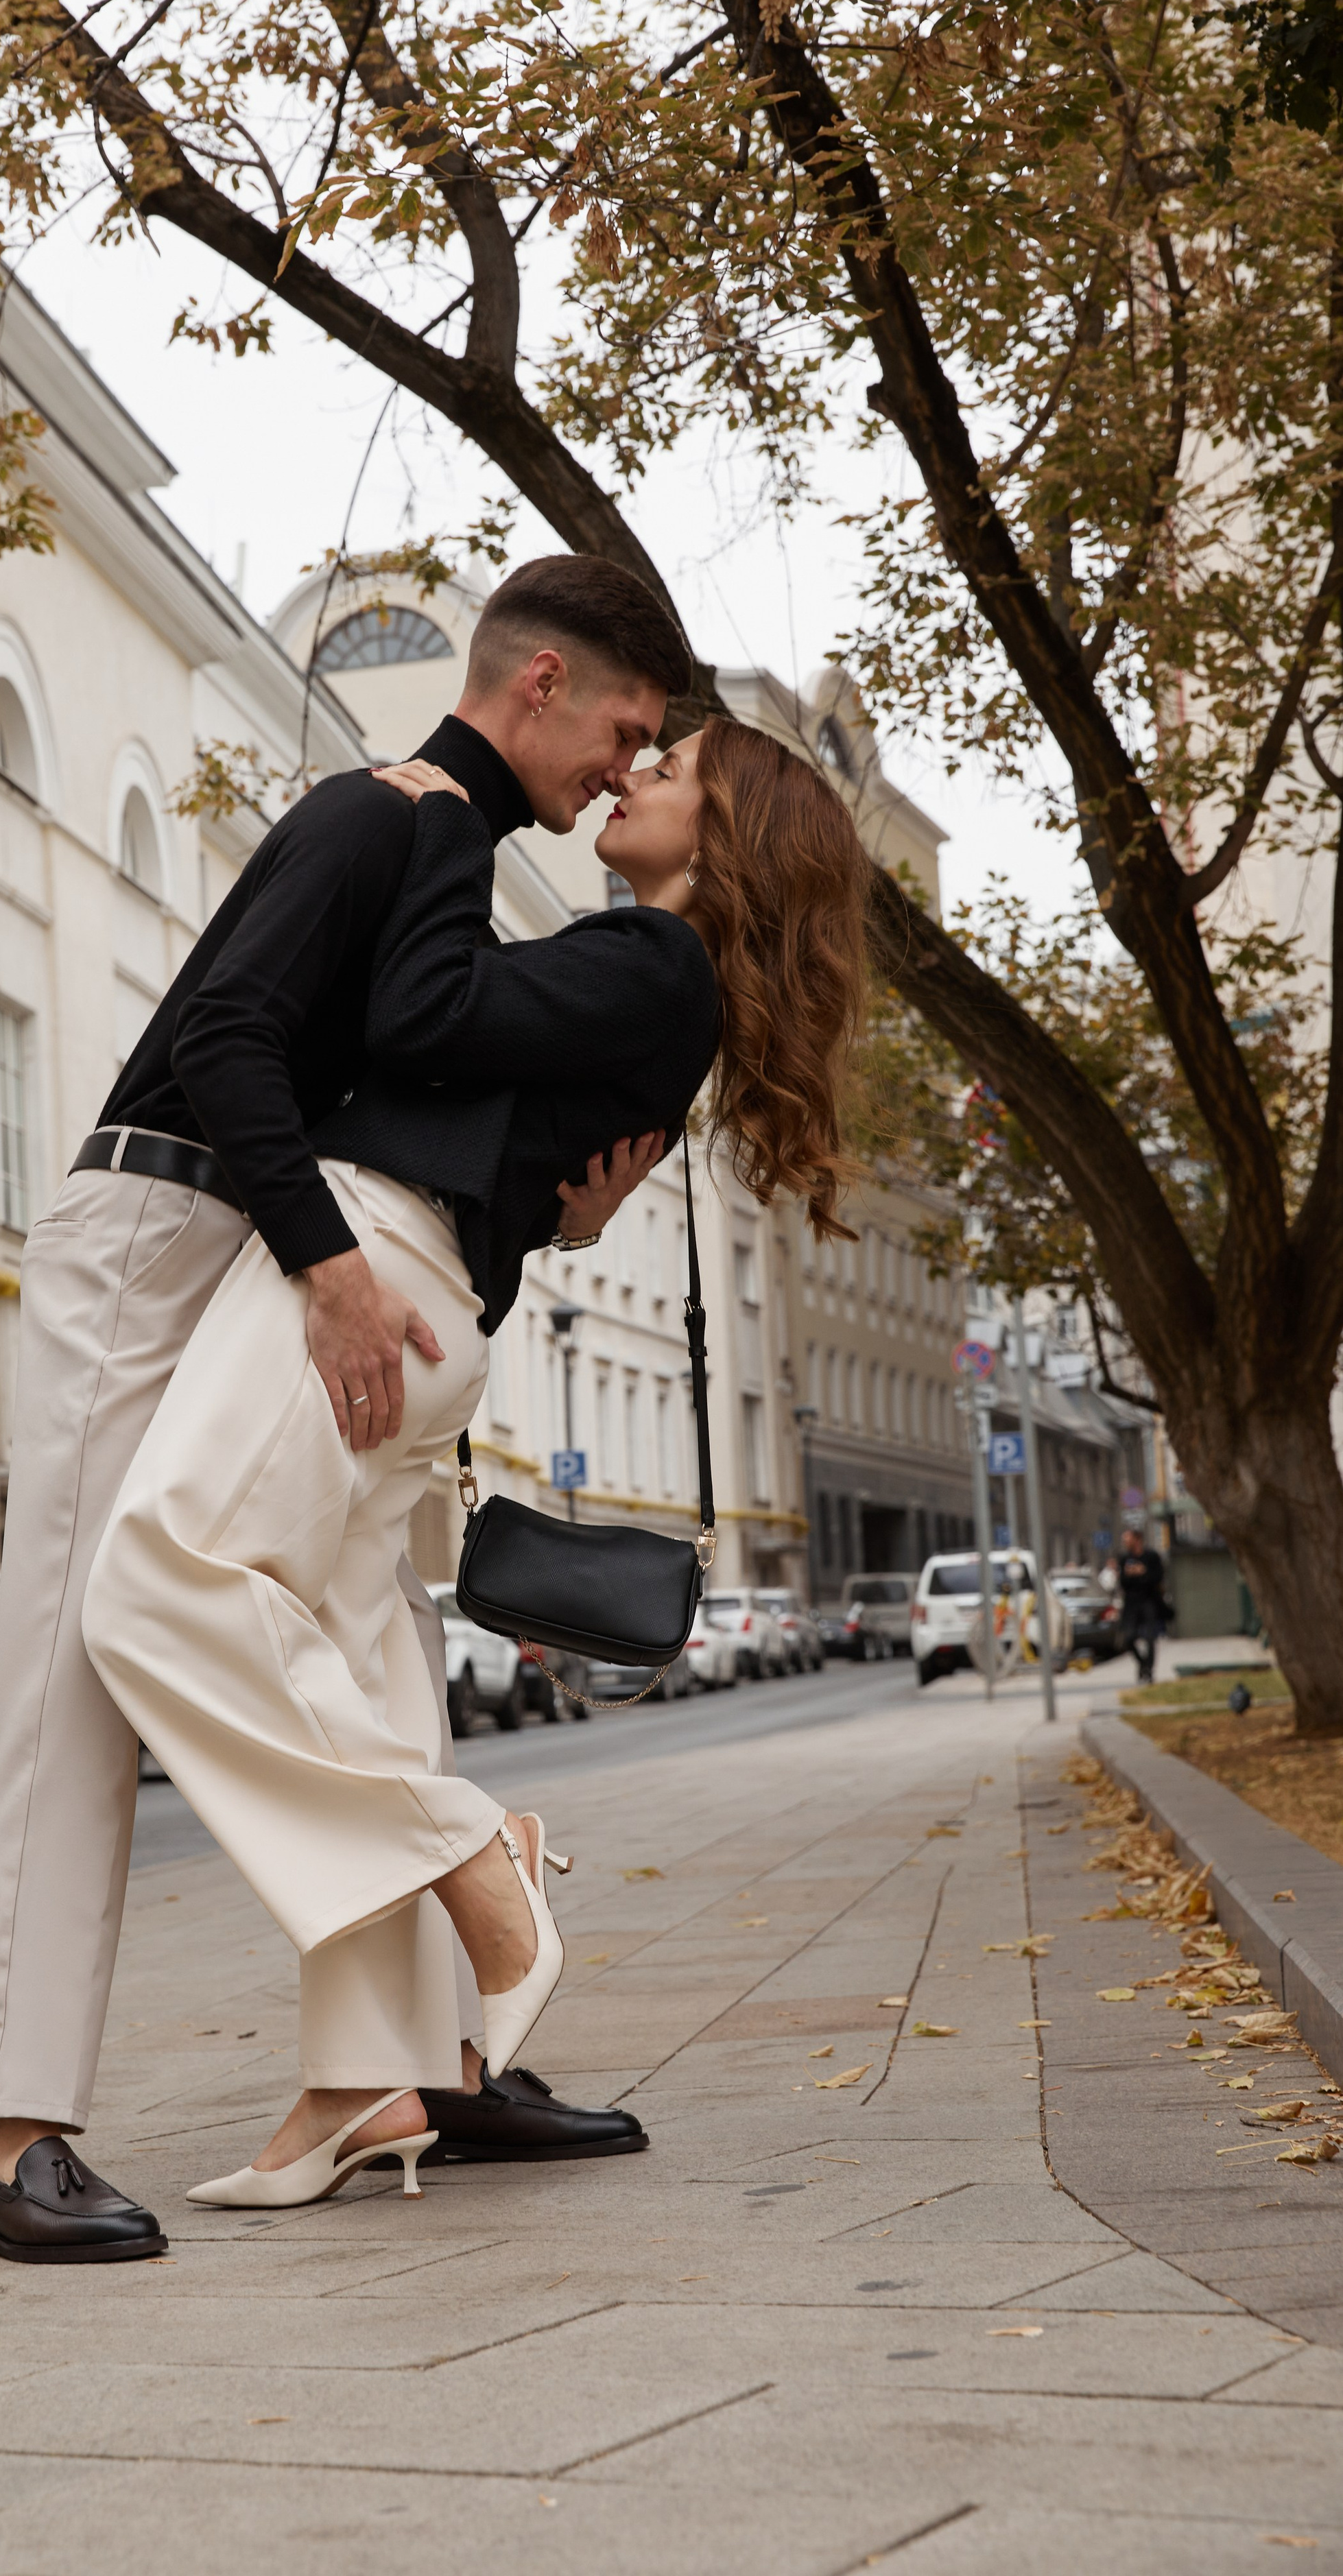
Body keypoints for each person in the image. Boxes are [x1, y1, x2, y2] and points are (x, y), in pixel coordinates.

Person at [0, 556, 691, 2264]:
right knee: (80, 1670)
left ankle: (427, 2064)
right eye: (622, 729)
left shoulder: (450, 852)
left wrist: (534, 1215)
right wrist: (330, 1265)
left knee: (367, 1636)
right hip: (161, 1230)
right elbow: (222, 1034)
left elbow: (410, 1081)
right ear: (540, 683)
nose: (619, 768)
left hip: (256, 1254)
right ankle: (9, 2137)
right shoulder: (386, 813)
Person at [82, 717, 868, 2206]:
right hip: (438, 1301)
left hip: (370, 1263)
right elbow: (514, 1124)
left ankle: (466, 1855)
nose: (631, 771)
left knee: (155, 1581)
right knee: (357, 1665)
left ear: (726, 835)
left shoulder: (652, 963)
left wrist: (446, 824)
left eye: (672, 765)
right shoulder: (649, 978)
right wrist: (562, 1218)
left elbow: (417, 1018)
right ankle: (364, 2081)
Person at [1117, 1526, 1167, 1684]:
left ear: (1137, 1540)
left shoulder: (1151, 1557)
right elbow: (1123, 1583)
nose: (1125, 1542)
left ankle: (1150, 1671)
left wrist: (1143, 1572)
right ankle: (1142, 1664)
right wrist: (1130, 1575)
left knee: (1150, 1638)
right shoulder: (1125, 1559)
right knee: (1128, 1638)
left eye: (1128, 1539)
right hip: (1132, 1604)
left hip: (1149, 1601)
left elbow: (1158, 1577)